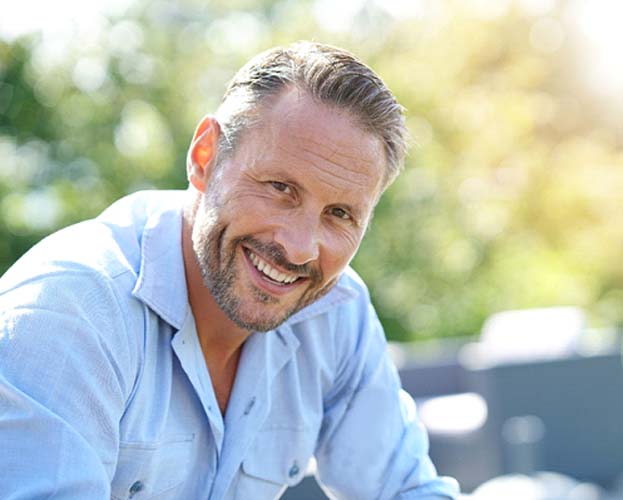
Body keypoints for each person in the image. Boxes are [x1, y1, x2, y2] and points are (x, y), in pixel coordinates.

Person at [0, 41, 459, 499]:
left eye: (339, 214)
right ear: (205, 157)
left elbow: (408, 489)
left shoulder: (336, 314)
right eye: (281, 188)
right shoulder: (68, 313)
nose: (299, 249)